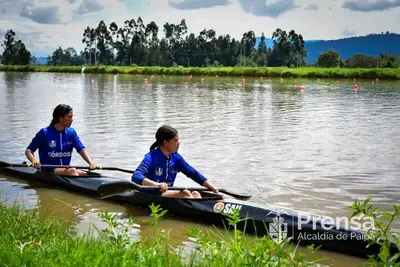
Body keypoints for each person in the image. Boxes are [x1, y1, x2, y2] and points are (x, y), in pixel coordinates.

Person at [132, 124, 219, 199]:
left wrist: (213, 187)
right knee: (185, 193)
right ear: (166, 143)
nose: (179, 144)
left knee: (196, 194)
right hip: (151, 194)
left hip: (167, 191)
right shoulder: (151, 157)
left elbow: (193, 173)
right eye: (175, 141)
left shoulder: (176, 158)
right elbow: (136, 176)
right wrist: (156, 185)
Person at [25, 104, 97, 176]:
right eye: (69, 117)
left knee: (84, 174)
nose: (72, 119)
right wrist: (34, 161)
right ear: (60, 118)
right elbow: (28, 151)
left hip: (66, 169)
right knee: (72, 171)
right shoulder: (44, 133)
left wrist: (91, 163)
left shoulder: (71, 133)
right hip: (48, 170)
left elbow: (81, 149)